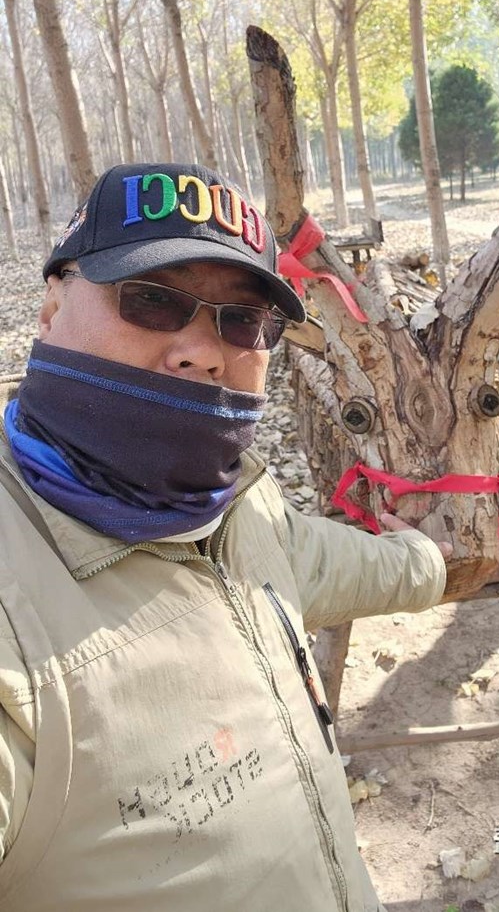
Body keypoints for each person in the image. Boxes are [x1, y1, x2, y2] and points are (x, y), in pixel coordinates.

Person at [0, 162, 450, 912]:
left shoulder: (236, 504)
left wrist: (427, 560)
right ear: (51, 308)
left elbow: (314, 559)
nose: (203, 352)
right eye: (152, 299)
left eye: (241, 320)